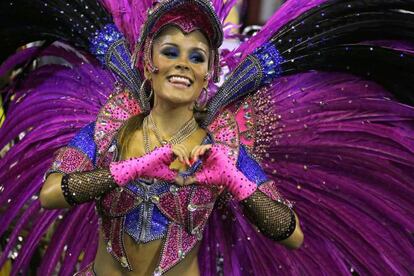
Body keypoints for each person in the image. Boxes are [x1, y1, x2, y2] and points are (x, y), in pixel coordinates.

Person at [1, 0, 414, 275]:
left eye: (196, 56)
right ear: (148, 62)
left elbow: (291, 232)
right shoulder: (112, 126)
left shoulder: (225, 147)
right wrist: (129, 169)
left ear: (208, 72)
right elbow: (50, 193)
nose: (182, 64)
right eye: (170, 51)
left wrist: (233, 180)